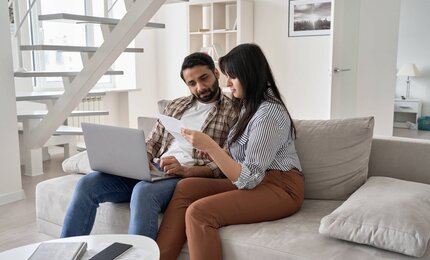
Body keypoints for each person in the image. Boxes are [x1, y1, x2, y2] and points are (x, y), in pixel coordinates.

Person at [60, 52, 237, 240]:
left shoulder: (233, 111)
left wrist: (185, 170)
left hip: (184, 177)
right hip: (155, 169)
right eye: (192, 83)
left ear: (216, 73)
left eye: (204, 78)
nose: (200, 87)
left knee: (143, 192)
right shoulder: (176, 105)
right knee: (88, 183)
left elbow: (225, 164)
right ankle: (64, 251)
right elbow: (152, 142)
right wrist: (140, 159)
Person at [156, 43, 305, 260]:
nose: (227, 83)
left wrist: (211, 147)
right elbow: (241, 162)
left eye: (232, 77)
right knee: (186, 187)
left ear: (248, 75)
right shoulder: (248, 105)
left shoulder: (269, 113)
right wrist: (214, 153)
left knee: (199, 213)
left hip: (281, 188)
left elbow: (250, 178)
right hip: (260, 180)